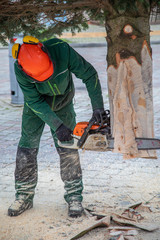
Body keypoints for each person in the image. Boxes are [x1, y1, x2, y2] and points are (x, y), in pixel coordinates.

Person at [8, 36, 105, 218]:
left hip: (63, 102)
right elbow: (34, 100)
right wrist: (56, 125)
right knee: (27, 148)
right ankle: (24, 196)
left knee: (67, 147)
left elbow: (89, 73)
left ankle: (74, 197)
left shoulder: (61, 49)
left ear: (45, 52)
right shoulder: (19, 68)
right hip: (36, 106)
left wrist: (97, 106)